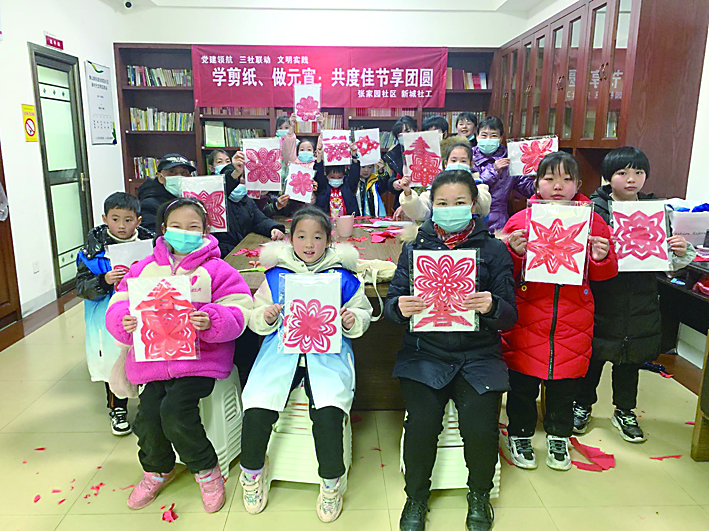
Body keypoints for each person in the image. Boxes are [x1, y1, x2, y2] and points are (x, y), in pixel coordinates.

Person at [384, 170, 517, 531]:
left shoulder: (494, 250)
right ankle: (416, 497)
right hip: (424, 352)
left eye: (459, 202)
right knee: (421, 424)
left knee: (481, 426)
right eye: (442, 203)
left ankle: (479, 494)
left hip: (479, 355)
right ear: (431, 206)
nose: (450, 209)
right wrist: (400, 307)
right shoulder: (414, 248)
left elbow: (510, 316)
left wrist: (492, 305)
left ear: (473, 205)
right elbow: (392, 305)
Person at [105, 197, 253, 513]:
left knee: (174, 412)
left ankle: (206, 469)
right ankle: (157, 469)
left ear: (205, 231)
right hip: (153, 361)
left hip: (200, 361)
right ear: (163, 229)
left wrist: (212, 320)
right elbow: (118, 304)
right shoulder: (143, 268)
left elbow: (241, 309)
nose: (184, 233)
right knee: (147, 417)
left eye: (192, 227)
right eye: (176, 226)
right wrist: (123, 322)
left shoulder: (217, 270)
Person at [238, 207, 373, 522]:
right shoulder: (276, 277)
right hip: (280, 354)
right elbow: (256, 314)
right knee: (257, 407)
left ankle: (330, 480)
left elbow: (363, 312)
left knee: (327, 412)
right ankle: (252, 472)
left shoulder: (343, 277)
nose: (309, 244)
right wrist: (266, 316)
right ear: (290, 239)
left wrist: (352, 319)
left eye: (317, 237)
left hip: (327, 355)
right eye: (301, 236)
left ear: (329, 240)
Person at [501, 151, 618, 471]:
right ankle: (520, 433)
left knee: (565, 385)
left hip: (573, 317)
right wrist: (514, 251)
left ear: (578, 184)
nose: (558, 186)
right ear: (537, 183)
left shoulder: (593, 221)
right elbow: (503, 272)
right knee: (522, 383)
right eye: (550, 178)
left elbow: (607, 273)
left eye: (567, 179)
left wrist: (600, 257)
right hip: (528, 316)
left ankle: (558, 434)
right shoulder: (521, 220)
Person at [573, 147, 696, 442]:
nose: (631, 179)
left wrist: (680, 251)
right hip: (603, 297)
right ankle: (582, 405)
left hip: (642, 299)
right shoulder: (593, 210)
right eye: (622, 173)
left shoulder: (658, 211)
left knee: (630, 360)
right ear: (608, 177)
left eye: (638, 172)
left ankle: (625, 410)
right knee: (594, 357)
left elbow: (668, 263)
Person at [75, 192, 154, 436]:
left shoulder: (151, 245)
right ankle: (118, 408)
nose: (121, 226)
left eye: (128, 220)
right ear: (105, 219)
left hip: (144, 312)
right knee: (113, 360)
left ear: (138, 221)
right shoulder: (92, 252)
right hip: (108, 316)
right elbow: (81, 287)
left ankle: (148, 405)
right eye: (115, 219)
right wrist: (104, 280)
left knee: (146, 354)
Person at [398, 142, 492, 223]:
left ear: (471, 164)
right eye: (453, 160)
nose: (458, 164)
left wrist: (469, 187)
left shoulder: (479, 186)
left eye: (463, 161)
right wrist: (408, 194)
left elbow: (484, 208)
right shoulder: (437, 186)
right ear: (446, 164)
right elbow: (421, 212)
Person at [473, 117, 535, 232]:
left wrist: (539, 183)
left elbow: (524, 185)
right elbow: (471, 187)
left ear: (501, 138)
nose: (488, 139)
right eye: (484, 135)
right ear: (477, 136)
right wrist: (494, 170)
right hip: (473, 216)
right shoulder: (468, 157)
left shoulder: (510, 158)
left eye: (493, 136)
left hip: (499, 219)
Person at [137, 153, 196, 233]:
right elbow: (152, 233)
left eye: (184, 173)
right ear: (160, 177)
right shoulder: (149, 205)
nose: (179, 176)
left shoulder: (196, 199)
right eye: (172, 172)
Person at [314, 143, 360, 219]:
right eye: (332, 177)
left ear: (344, 176)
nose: (336, 179)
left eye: (339, 177)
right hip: (327, 222)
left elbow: (354, 175)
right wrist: (319, 157)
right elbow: (319, 174)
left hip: (347, 221)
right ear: (326, 176)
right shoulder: (323, 188)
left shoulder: (348, 186)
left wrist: (354, 155)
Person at [386, 116, 417, 210]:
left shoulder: (426, 149)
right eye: (400, 134)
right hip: (402, 202)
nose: (404, 135)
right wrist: (394, 183)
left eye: (408, 131)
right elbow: (391, 177)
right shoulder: (394, 154)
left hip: (423, 198)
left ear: (415, 131)